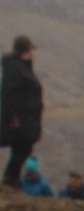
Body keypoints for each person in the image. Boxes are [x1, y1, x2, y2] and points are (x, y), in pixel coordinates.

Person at [0, 36, 43, 190]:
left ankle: (12, 180)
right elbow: (8, 92)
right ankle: (10, 180)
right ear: (27, 49)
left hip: (26, 117)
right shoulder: (15, 67)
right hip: (19, 118)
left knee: (22, 147)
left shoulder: (22, 67)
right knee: (22, 147)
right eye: (32, 49)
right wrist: (12, 117)